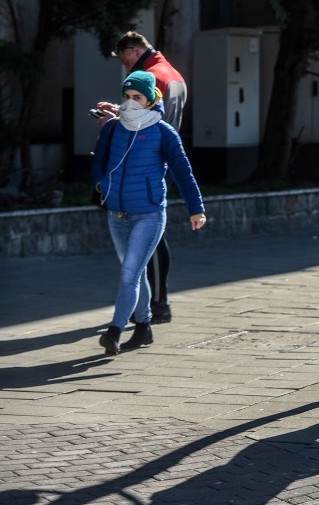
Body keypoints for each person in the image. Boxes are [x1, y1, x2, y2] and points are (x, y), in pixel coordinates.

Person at [91, 71, 206, 356]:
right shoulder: (113, 128)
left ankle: (115, 330)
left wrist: (196, 209)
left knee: (130, 273)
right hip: (116, 214)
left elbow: (183, 173)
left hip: (149, 215)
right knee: (134, 272)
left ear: (151, 100)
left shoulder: (163, 132)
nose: (130, 103)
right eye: (127, 97)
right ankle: (143, 326)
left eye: (137, 97)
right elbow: (99, 159)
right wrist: (101, 183)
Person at [95, 31, 188, 324]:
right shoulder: (172, 72)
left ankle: (156, 306)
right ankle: (149, 305)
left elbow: (145, 125)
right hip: (157, 166)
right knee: (151, 238)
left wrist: (114, 124)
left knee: (151, 238)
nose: (125, 68)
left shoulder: (151, 75)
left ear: (134, 51)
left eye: (124, 61)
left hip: (145, 167)